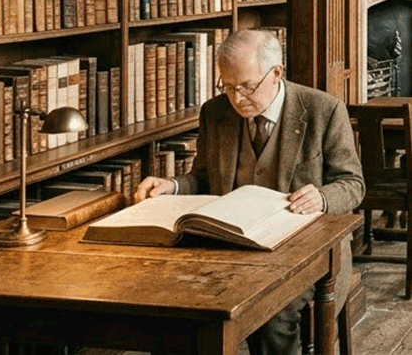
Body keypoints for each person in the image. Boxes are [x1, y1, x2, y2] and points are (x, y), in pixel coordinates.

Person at [136, 29, 365, 355]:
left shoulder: (322, 110)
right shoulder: (215, 113)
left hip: (305, 252)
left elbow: (352, 184)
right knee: (176, 300)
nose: (237, 98)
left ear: (276, 74)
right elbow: (202, 179)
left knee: (273, 313)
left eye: (246, 86)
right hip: (230, 249)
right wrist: (170, 186)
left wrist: (323, 198)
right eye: (227, 86)